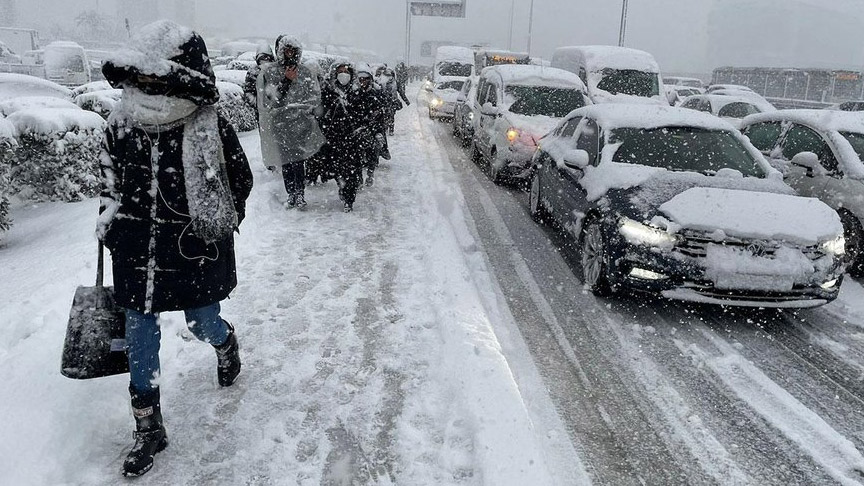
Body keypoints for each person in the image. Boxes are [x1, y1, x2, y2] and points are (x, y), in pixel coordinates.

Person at [98, 20, 254, 478]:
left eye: (154, 77)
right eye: (140, 77)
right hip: (135, 249)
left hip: (192, 249)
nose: (144, 85)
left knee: (200, 321)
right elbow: (108, 181)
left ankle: (226, 343)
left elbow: (237, 182)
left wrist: (213, 227)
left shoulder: (207, 123)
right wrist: (110, 224)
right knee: (140, 333)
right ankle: (148, 427)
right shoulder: (121, 121)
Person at [257, 35, 325, 209]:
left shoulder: (305, 72)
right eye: (287, 50)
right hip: (280, 124)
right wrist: (286, 81)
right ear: (281, 51)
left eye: (293, 51)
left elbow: (314, 96)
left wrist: (307, 111)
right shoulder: (271, 72)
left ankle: (299, 194)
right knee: (286, 160)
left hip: (301, 124)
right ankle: (291, 194)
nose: (290, 54)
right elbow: (271, 100)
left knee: (299, 160)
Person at [320, 62, 365, 212]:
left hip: (352, 138)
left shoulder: (357, 93)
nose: (343, 74)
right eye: (340, 71)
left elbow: (361, 114)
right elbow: (322, 112)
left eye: (346, 71)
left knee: (351, 171)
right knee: (338, 170)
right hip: (334, 138)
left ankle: (349, 199)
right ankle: (342, 186)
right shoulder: (329, 91)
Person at [353, 64, 387, 186]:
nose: (363, 81)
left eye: (365, 78)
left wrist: (376, 127)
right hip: (358, 127)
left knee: (373, 151)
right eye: (360, 78)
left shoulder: (376, 92)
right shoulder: (354, 93)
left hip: (373, 127)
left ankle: (370, 173)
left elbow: (382, 110)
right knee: (356, 154)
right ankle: (358, 178)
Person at [242, 47, 275, 116]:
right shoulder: (253, 72)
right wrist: (257, 103)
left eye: (267, 60)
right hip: (259, 111)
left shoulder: (275, 72)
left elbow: (279, 90)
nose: (264, 63)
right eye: (262, 61)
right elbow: (248, 91)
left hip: (274, 110)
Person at [376, 66, 402, 136]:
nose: (389, 77)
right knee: (385, 115)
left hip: (393, 102)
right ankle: (385, 127)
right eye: (387, 76)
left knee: (391, 116)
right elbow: (379, 91)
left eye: (390, 76)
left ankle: (391, 129)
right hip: (385, 102)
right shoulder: (382, 83)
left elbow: (401, 92)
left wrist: (406, 101)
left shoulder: (395, 83)